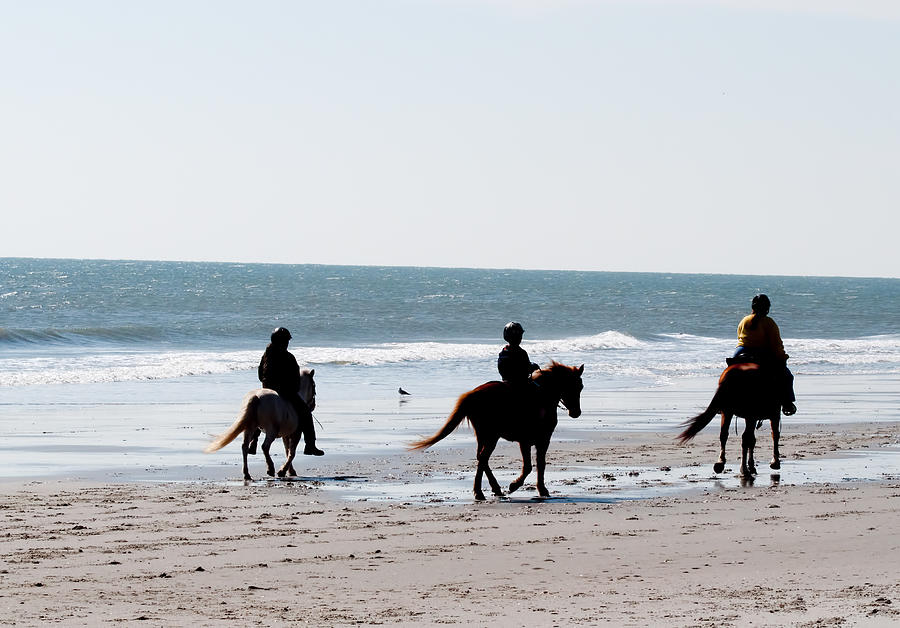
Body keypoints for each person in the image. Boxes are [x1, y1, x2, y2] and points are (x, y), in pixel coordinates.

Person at [254, 327, 324, 455]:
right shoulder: (288, 357)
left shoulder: (266, 354)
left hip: (266, 389)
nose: (287, 343)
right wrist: (292, 390)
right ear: (283, 342)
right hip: (285, 392)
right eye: (286, 341)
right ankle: (310, 445)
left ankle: (253, 441)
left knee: (255, 409)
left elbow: (259, 375)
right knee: (306, 414)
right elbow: (296, 380)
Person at [732, 294, 797, 416]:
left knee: (729, 373)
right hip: (760, 354)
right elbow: (776, 343)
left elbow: (739, 336)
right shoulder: (769, 322)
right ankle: (787, 403)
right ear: (767, 308)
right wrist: (782, 357)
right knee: (787, 376)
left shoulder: (744, 320)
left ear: (752, 307)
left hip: (740, 352)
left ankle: (721, 402)